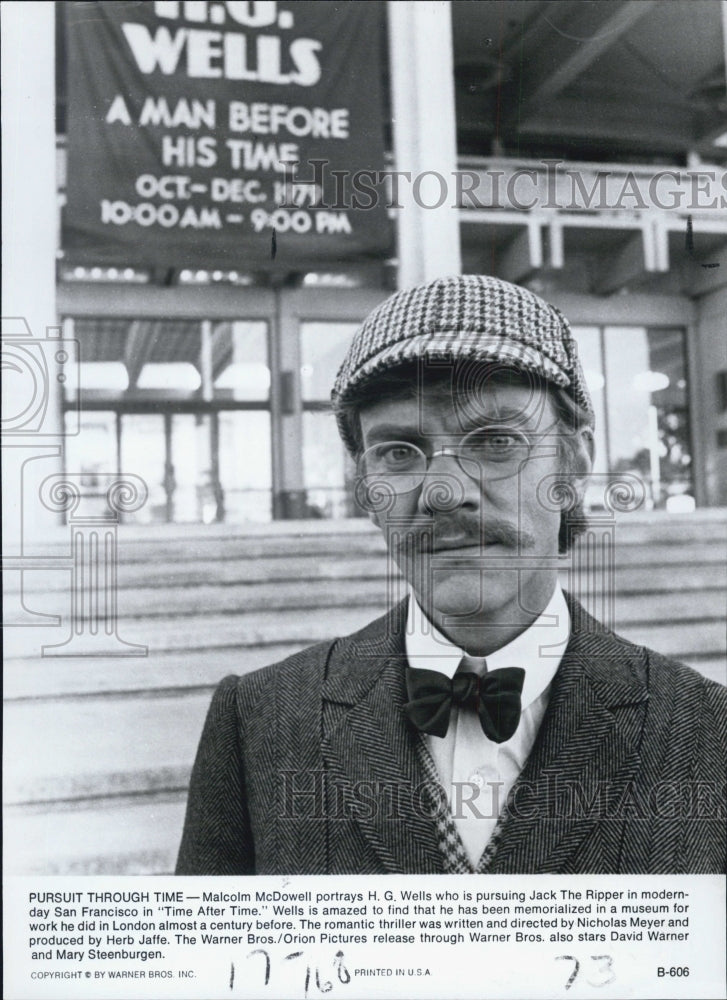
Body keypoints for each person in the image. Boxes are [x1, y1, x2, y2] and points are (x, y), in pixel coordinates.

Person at [176, 274, 726, 875]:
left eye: (494, 441)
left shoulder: (706, 732)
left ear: (573, 466)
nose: (444, 492)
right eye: (398, 452)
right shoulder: (257, 721)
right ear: (365, 486)